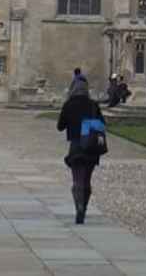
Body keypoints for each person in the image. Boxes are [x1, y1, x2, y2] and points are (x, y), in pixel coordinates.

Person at [57, 77, 105, 224]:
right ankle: (84, 206)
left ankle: (78, 206)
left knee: (77, 179)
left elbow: (60, 126)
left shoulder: (69, 105)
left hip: (76, 146)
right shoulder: (92, 105)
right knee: (86, 180)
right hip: (90, 147)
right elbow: (102, 124)